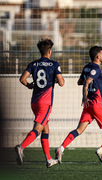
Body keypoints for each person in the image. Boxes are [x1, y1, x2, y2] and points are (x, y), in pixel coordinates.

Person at [55, 46, 102, 165]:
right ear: (97, 56)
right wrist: (84, 95)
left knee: (79, 129)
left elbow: (80, 81)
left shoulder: (86, 67)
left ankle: (61, 148)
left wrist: (87, 92)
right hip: (98, 103)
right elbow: (86, 82)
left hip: (88, 105)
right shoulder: (95, 68)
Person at [15, 38, 64, 168]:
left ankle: (48, 159)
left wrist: (29, 86)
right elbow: (61, 83)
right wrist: (56, 75)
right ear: (49, 51)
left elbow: (22, 79)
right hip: (45, 102)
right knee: (38, 129)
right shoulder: (54, 64)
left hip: (34, 102)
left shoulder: (33, 64)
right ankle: (21, 147)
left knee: (45, 128)